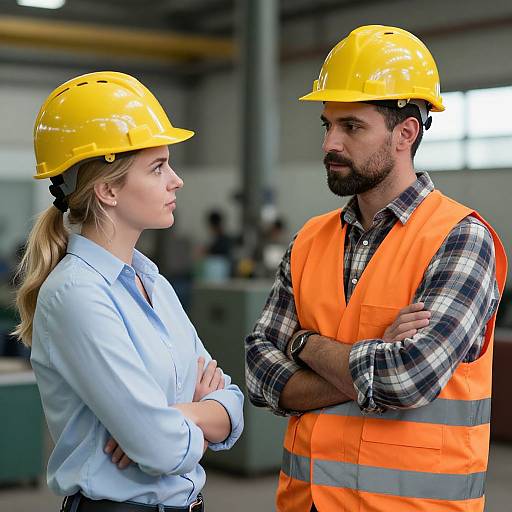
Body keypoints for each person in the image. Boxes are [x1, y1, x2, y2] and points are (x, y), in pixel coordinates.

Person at [245, 25, 507, 512]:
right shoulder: (309, 239)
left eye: (352, 126)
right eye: (327, 125)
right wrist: (370, 357)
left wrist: (305, 344)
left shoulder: (460, 238)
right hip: (307, 502)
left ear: (406, 133)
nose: (330, 143)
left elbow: (405, 380)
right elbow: (259, 371)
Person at [13, 71, 244, 512]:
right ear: (107, 190)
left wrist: (180, 416)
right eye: (158, 167)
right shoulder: (76, 294)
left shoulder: (152, 280)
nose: (176, 180)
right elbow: (160, 450)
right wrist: (193, 415)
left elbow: (231, 403)